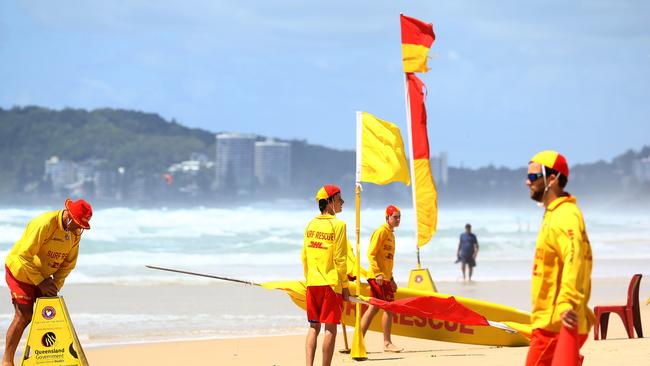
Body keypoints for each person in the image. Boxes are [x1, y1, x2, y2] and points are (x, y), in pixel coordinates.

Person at [3, 198, 92, 366]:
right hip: (20, 271)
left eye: (82, 225)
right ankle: (7, 361)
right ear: (69, 216)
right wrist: (40, 282)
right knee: (24, 315)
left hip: (43, 278)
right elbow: (22, 256)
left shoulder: (75, 234)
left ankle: (44, 356)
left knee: (47, 315)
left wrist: (54, 286)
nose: (80, 228)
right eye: (78, 223)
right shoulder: (44, 224)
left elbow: (68, 265)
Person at [524, 151, 594, 366]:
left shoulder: (565, 215)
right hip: (553, 321)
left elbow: (574, 258)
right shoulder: (554, 213)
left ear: (552, 179)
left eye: (534, 177)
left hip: (555, 324)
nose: (528, 182)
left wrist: (566, 303)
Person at [302, 185, 350, 366]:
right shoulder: (339, 225)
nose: (343, 202)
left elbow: (304, 256)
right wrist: (345, 286)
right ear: (329, 202)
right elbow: (340, 259)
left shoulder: (310, 224)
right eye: (339, 199)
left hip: (312, 283)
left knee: (313, 326)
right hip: (330, 285)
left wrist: (308, 279)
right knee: (330, 328)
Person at [359, 205, 403, 353]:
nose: (397, 220)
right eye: (395, 217)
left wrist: (391, 279)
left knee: (373, 308)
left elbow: (387, 260)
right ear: (387, 218)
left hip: (384, 278)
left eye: (399, 217)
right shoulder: (381, 231)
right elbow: (371, 253)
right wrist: (378, 273)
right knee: (389, 308)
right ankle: (387, 343)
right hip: (377, 277)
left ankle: (358, 341)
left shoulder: (391, 234)